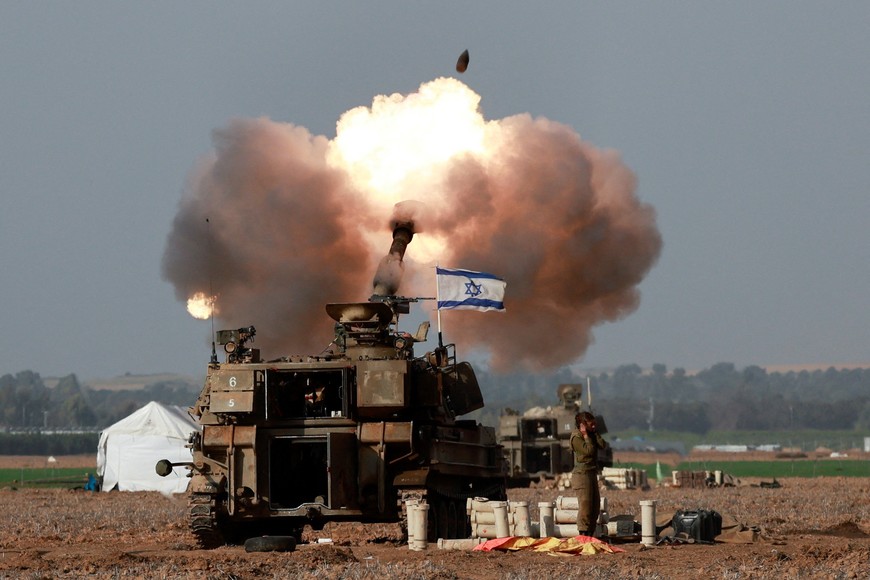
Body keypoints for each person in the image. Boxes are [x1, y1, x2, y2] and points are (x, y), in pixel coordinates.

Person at [570, 411, 608, 537]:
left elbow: (602, 445)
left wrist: (594, 433)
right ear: (583, 424)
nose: (594, 426)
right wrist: (586, 435)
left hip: (591, 473)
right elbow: (588, 451)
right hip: (581, 475)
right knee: (585, 506)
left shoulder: (592, 434)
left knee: (594, 506)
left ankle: (590, 533)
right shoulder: (576, 437)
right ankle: (583, 533)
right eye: (591, 424)